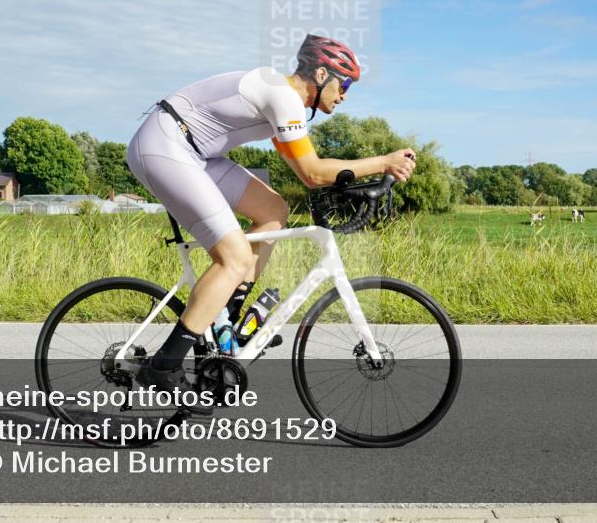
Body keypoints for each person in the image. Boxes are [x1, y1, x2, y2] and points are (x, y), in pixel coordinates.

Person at [126, 34, 416, 413]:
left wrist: (360, 182)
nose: (345, 95)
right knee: (233, 257)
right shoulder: (283, 97)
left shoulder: (284, 102)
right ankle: (164, 367)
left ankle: (226, 319)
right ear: (321, 74)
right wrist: (383, 163)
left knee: (273, 210)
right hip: (165, 146)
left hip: (199, 153)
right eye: (344, 85)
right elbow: (312, 173)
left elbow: (308, 173)